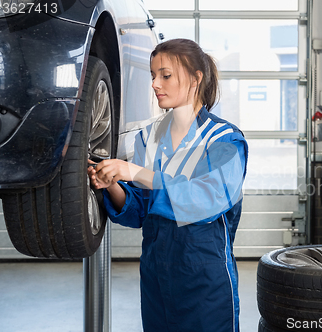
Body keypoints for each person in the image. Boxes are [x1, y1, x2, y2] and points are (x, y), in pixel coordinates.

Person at [88, 38, 248, 332]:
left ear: (196, 78)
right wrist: (111, 184)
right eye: (152, 75)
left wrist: (134, 172)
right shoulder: (148, 138)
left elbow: (205, 200)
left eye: (166, 75)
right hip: (156, 276)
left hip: (204, 278)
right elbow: (139, 210)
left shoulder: (224, 139)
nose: (155, 84)